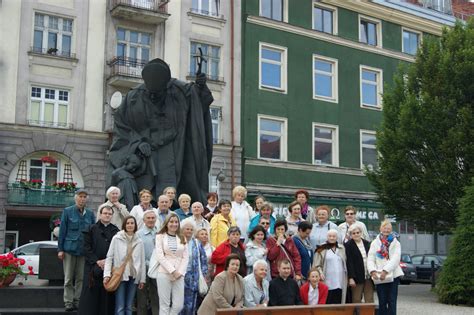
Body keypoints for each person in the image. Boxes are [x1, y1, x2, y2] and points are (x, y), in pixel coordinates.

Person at [108, 58, 214, 204]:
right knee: (145, 192)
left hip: (173, 151)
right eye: (150, 92)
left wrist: (201, 88)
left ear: (166, 85)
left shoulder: (179, 91)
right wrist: (138, 143)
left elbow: (198, 103)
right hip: (146, 156)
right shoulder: (133, 98)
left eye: (157, 93)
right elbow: (122, 127)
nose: (153, 96)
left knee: (172, 189)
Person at [58, 189, 96, 312]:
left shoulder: (90, 214)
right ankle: (68, 302)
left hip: (83, 251)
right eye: (80, 196)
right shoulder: (68, 211)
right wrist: (60, 249)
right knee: (68, 278)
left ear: (87, 199)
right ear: (76, 198)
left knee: (81, 278)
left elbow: (93, 233)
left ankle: (78, 301)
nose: (82, 199)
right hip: (69, 249)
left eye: (85, 196)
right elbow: (62, 231)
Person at [78, 204, 119, 315]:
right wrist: (97, 261)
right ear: (100, 215)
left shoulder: (116, 231)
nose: (107, 215)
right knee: (91, 295)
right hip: (92, 267)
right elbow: (86, 247)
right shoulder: (91, 229)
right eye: (105, 213)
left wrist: (107, 262)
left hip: (109, 268)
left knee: (106, 295)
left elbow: (119, 249)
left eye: (110, 214)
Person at [104, 216, 146, 315]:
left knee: (129, 306)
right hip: (121, 275)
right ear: (124, 225)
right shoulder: (117, 238)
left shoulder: (139, 241)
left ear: (135, 225)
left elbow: (142, 261)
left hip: (134, 276)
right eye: (128, 223)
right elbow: (109, 257)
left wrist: (142, 279)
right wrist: (106, 275)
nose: (130, 225)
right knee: (120, 306)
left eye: (132, 223)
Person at [367, 220, 403, 315]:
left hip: (393, 275)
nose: (386, 230)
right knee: (382, 301)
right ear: (380, 229)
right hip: (379, 276)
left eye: (388, 229)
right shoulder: (375, 243)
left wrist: (385, 270)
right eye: (384, 228)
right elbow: (370, 258)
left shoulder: (396, 243)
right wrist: (372, 271)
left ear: (391, 230)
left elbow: (396, 258)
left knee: (392, 301)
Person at [155, 213, 189, 315]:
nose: (174, 224)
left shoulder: (182, 237)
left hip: (179, 274)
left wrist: (180, 272)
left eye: (176, 222)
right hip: (164, 273)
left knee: (178, 305)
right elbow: (160, 256)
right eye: (171, 222)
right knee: (164, 304)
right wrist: (172, 271)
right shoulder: (160, 236)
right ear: (166, 223)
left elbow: (185, 257)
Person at [313, 229, 347, 304]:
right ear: (327, 237)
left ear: (337, 237)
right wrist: (320, 273)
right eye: (330, 236)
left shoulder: (341, 248)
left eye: (334, 236)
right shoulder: (321, 248)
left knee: (339, 302)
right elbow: (316, 264)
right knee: (328, 301)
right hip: (327, 280)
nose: (332, 238)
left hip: (340, 280)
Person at [181, 222, 208, 315]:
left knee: (192, 303)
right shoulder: (178, 241)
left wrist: (204, 274)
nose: (189, 231)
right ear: (182, 230)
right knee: (179, 303)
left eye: (191, 229)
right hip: (180, 277)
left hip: (194, 278)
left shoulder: (196, 243)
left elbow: (203, 259)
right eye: (187, 229)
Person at [136, 210, 159, 315]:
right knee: (142, 297)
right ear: (144, 220)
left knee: (157, 297)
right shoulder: (138, 234)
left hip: (157, 269)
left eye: (153, 218)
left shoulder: (159, 232)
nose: (151, 220)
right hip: (143, 269)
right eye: (148, 218)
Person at [345, 224, 374, 303]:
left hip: (368, 276)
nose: (356, 234)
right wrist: (351, 278)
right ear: (350, 235)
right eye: (353, 233)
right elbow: (349, 262)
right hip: (356, 278)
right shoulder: (348, 245)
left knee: (369, 299)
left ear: (361, 233)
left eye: (358, 232)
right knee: (356, 299)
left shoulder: (367, 243)